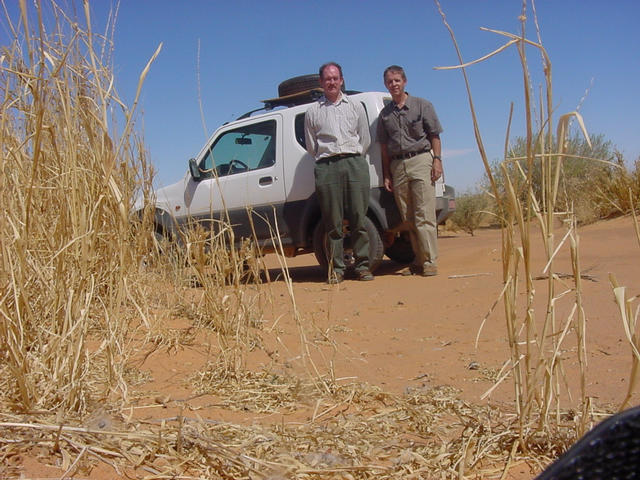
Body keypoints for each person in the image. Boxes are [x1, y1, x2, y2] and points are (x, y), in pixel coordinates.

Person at [304, 62, 373, 284]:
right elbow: (311, 146)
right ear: (321, 82)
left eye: (335, 78)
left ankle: (363, 266)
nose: (332, 82)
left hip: (354, 162)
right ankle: (337, 270)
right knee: (332, 222)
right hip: (327, 167)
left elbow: (365, 138)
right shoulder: (313, 111)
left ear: (341, 80)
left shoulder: (355, 106)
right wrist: (328, 158)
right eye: (327, 79)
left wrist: (354, 156)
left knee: (359, 218)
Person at [377, 65, 443, 277]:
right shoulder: (385, 115)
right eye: (389, 81)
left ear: (404, 81)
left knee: (424, 214)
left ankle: (430, 262)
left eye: (397, 80)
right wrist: (386, 173)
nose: (393, 84)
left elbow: (434, 135)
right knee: (409, 217)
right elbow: (384, 148)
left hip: (421, 160)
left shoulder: (422, 105)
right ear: (385, 85)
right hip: (398, 166)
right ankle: (419, 259)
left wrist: (437, 161)